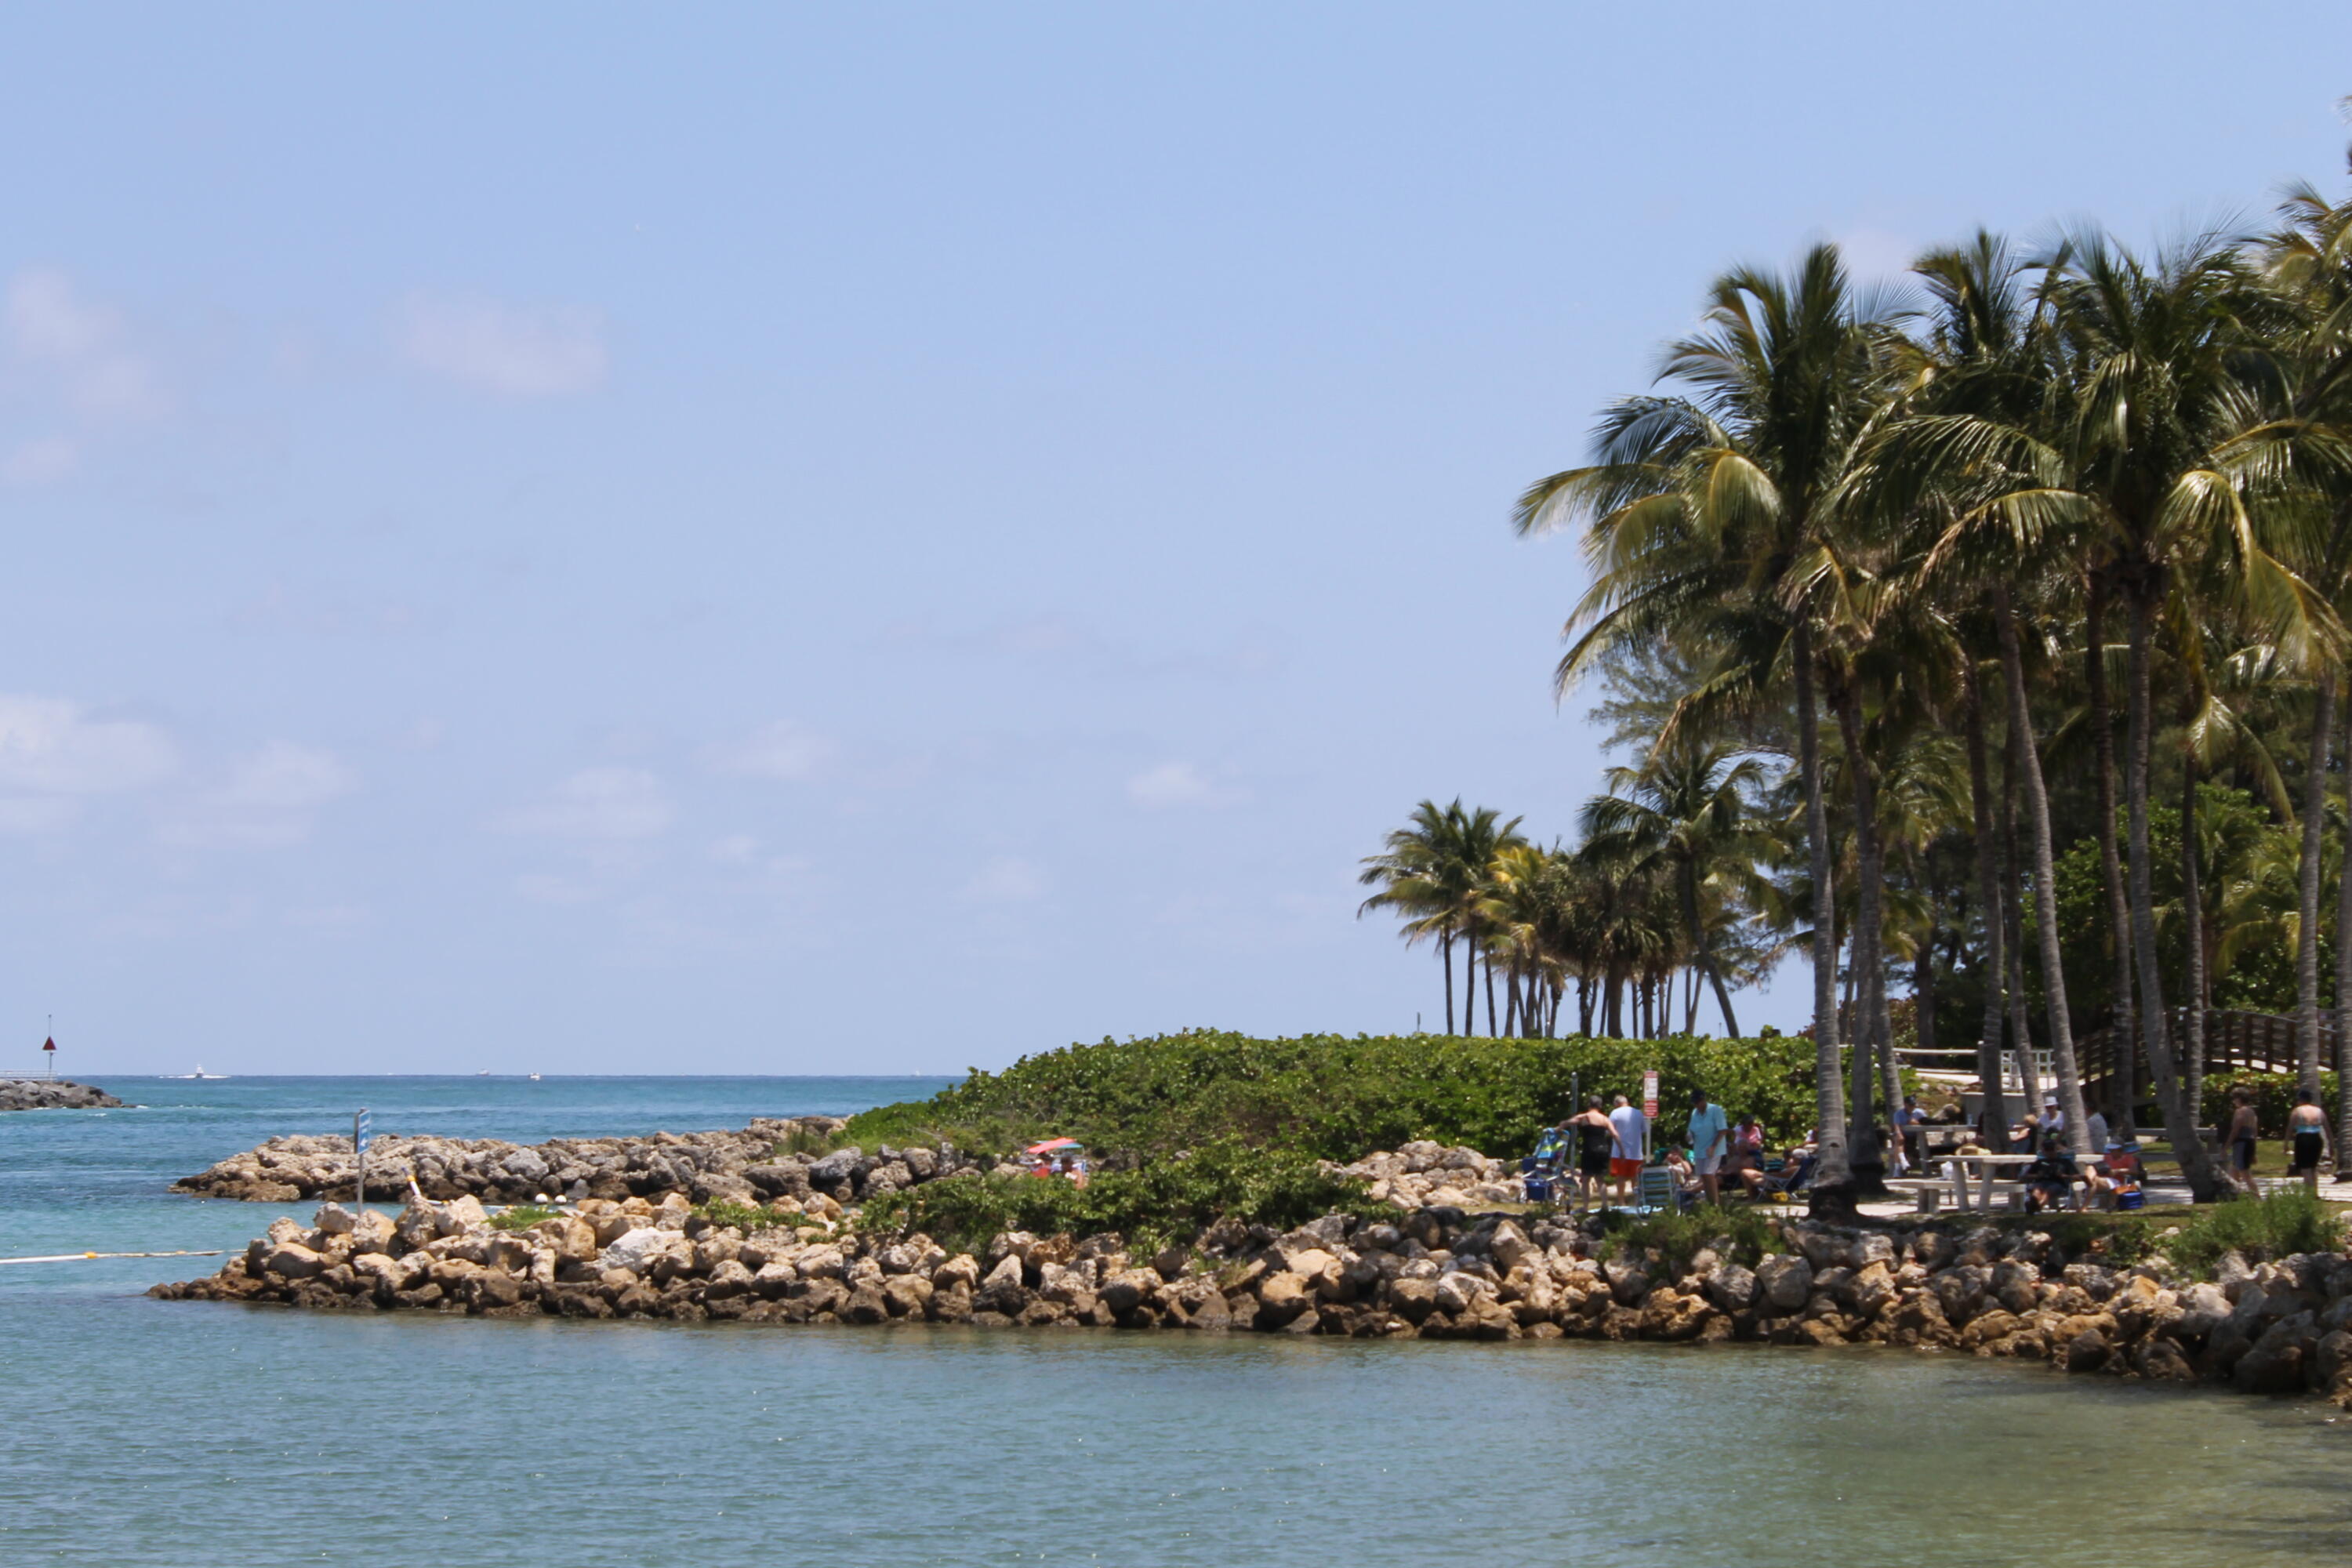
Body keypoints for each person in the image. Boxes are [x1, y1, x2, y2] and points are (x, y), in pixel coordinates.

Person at [1568, 1096, 1615, 1213]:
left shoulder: (1585, 1117)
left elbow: (1569, 1122)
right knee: (1600, 1180)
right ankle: (1605, 1206)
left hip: (1590, 1149)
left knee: (1586, 1179)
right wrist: (1622, 1151)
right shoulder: (1605, 1119)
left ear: (1589, 1105)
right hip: (1603, 1150)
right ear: (1600, 1106)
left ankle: (1585, 1207)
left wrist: (1558, 1128)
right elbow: (1615, 1134)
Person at [1685, 1088, 1730, 1203]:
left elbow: (1723, 1130)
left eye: (1698, 1102)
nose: (1696, 1105)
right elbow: (1692, 1129)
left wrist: (1713, 1146)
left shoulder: (1716, 1110)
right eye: (1694, 1103)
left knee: (1708, 1173)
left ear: (1703, 1100)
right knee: (1703, 1176)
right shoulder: (1695, 1113)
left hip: (1714, 1149)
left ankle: (1715, 1203)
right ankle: (1709, 1202)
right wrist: (1689, 1136)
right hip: (1699, 1149)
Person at [2287, 1087, 2332, 1192]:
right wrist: (2331, 1145)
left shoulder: (2297, 1111)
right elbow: (2328, 1129)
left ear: (2301, 1100)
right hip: (2316, 1139)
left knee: (2305, 1168)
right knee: (2313, 1167)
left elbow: (2290, 1128)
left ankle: (2310, 1194)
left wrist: (2286, 1144)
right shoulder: (2319, 1111)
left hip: (2303, 1138)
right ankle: (2315, 1192)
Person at [1606, 1094, 1647, 1207]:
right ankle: (1636, 1201)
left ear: (1616, 1104)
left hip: (1620, 1151)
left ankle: (1621, 1201)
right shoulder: (1638, 1113)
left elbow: (1609, 1130)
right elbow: (1644, 1130)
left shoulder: (1615, 1113)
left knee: (1621, 1177)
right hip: (1636, 1151)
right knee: (1636, 1177)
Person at [2226, 1087, 2260, 1195]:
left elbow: (2235, 1131)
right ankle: (2236, 1196)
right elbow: (2254, 1133)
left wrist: (2226, 1147)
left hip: (2241, 1144)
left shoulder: (2240, 1111)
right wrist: (2253, 1152)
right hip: (2249, 1143)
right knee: (2233, 1172)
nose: (2233, 1101)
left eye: (2234, 1098)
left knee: (2245, 1174)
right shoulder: (2252, 1112)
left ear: (2239, 1098)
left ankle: (2257, 1197)